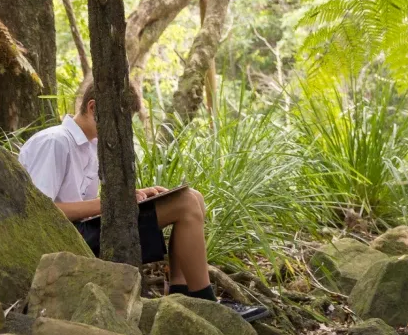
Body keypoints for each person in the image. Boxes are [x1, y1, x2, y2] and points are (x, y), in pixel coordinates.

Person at [17, 80, 266, 320]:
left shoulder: (91, 146)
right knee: (186, 204)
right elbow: (40, 212)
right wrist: (111, 204)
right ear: (93, 108)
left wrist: (136, 195)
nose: (125, 127)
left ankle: (182, 297)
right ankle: (209, 305)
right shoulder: (55, 141)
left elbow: (84, 204)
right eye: (120, 119)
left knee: (194, 198)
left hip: (86, 228)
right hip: (63, 240)